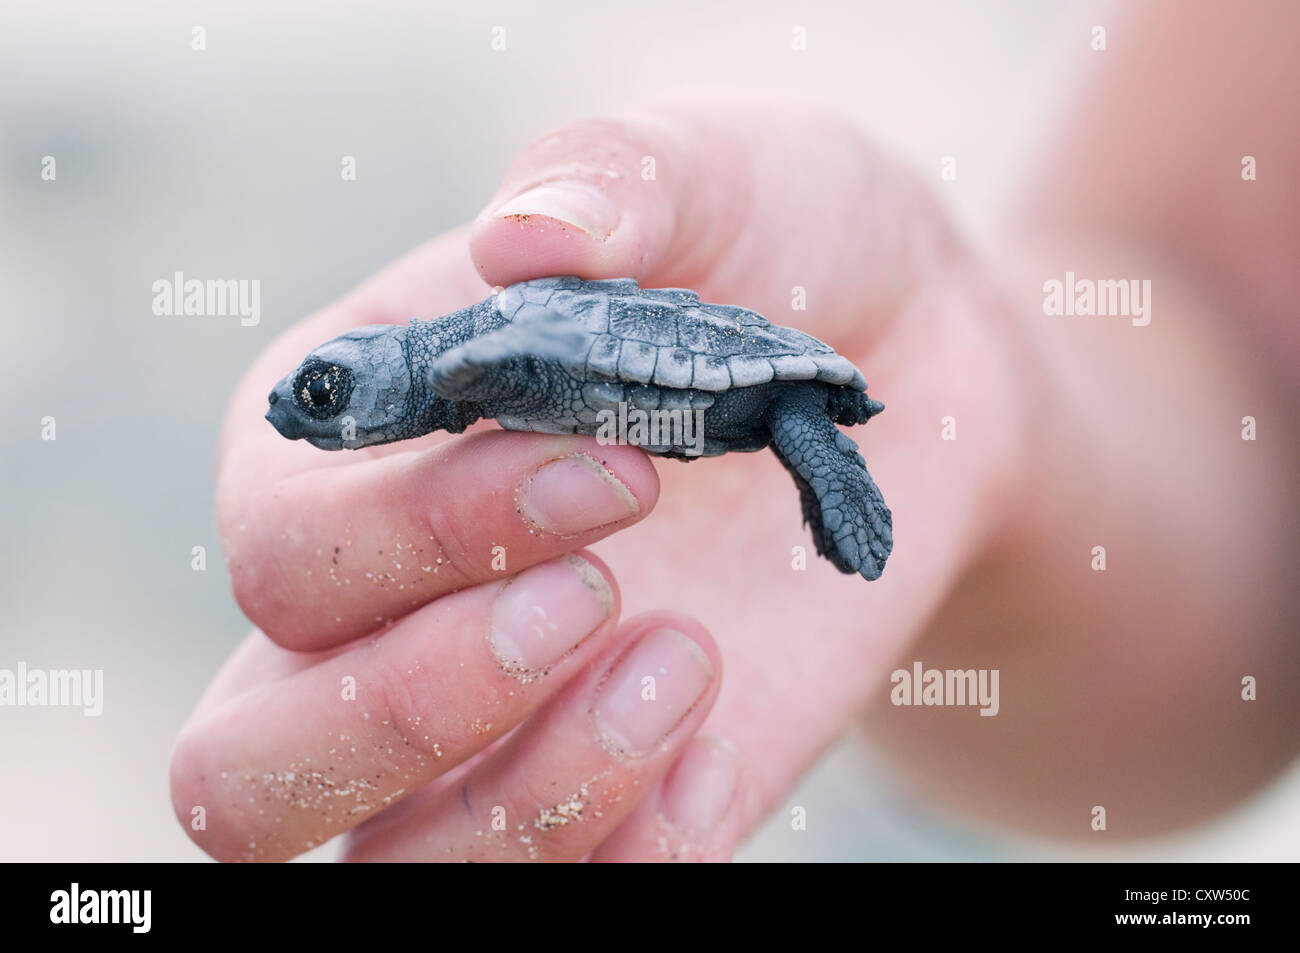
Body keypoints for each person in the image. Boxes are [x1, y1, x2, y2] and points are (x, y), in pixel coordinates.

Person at [170, 2, 1300, 861]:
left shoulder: (475, 356)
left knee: (791, 422)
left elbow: (544, 336)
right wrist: (998, 409)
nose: (298, 410)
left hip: (725, 384)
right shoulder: (471, 370)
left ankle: (830, 469)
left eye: (322, 394)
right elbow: (1224, 348)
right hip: (707, 392)